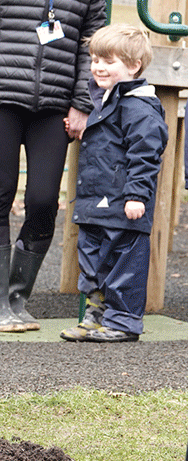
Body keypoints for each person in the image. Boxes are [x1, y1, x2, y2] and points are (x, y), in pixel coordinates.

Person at [0, 0, 107, 332]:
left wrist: (83, 102)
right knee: (0, 191)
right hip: (0, 95)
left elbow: (91, 41)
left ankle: (18, 298)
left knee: (43, 201)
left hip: (56, 104)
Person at [59, 24, 167, 343]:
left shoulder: (139, 106)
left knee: (124, 263)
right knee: (94, 261)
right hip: (96, 200)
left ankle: (123, 321)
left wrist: (136, 195)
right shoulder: (105, 101)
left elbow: (146, 154)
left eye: (108, 61)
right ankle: (96, 315)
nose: (98, 67)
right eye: (94, 59)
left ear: (133, 66)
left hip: (124, 203)